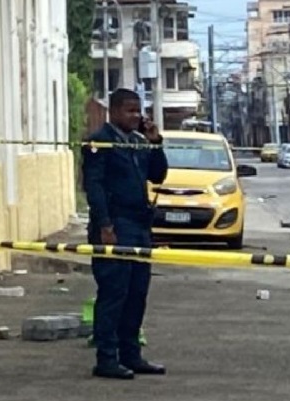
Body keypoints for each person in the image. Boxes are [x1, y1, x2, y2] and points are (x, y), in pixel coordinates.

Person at [82, 88, 169, 380]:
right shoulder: (99, 143)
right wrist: (105, 225)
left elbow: (158, 175)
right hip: (115, 226)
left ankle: (131, 355)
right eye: (130, 111)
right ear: (115, 111)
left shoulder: (138, 142)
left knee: (137, 294)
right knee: (113, 293)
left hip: (139, 226)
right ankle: (106, 358)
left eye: (138, 111)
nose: (136, 116)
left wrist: (156, 142)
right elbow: (93, 186)